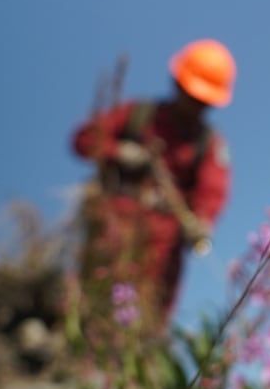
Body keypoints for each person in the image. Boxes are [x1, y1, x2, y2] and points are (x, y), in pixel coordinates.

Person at [72, 38, 235, 330]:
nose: (196, 105)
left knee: (147, 324)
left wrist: (202, 222)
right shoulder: (137, 114)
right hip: (112, 226)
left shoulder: (209, 144)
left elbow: (213, 191)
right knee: (92, 309)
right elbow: (83, 139)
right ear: (176, 82)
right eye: (192, 95)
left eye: (204, 101)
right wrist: (118, 152)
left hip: (164, 247)